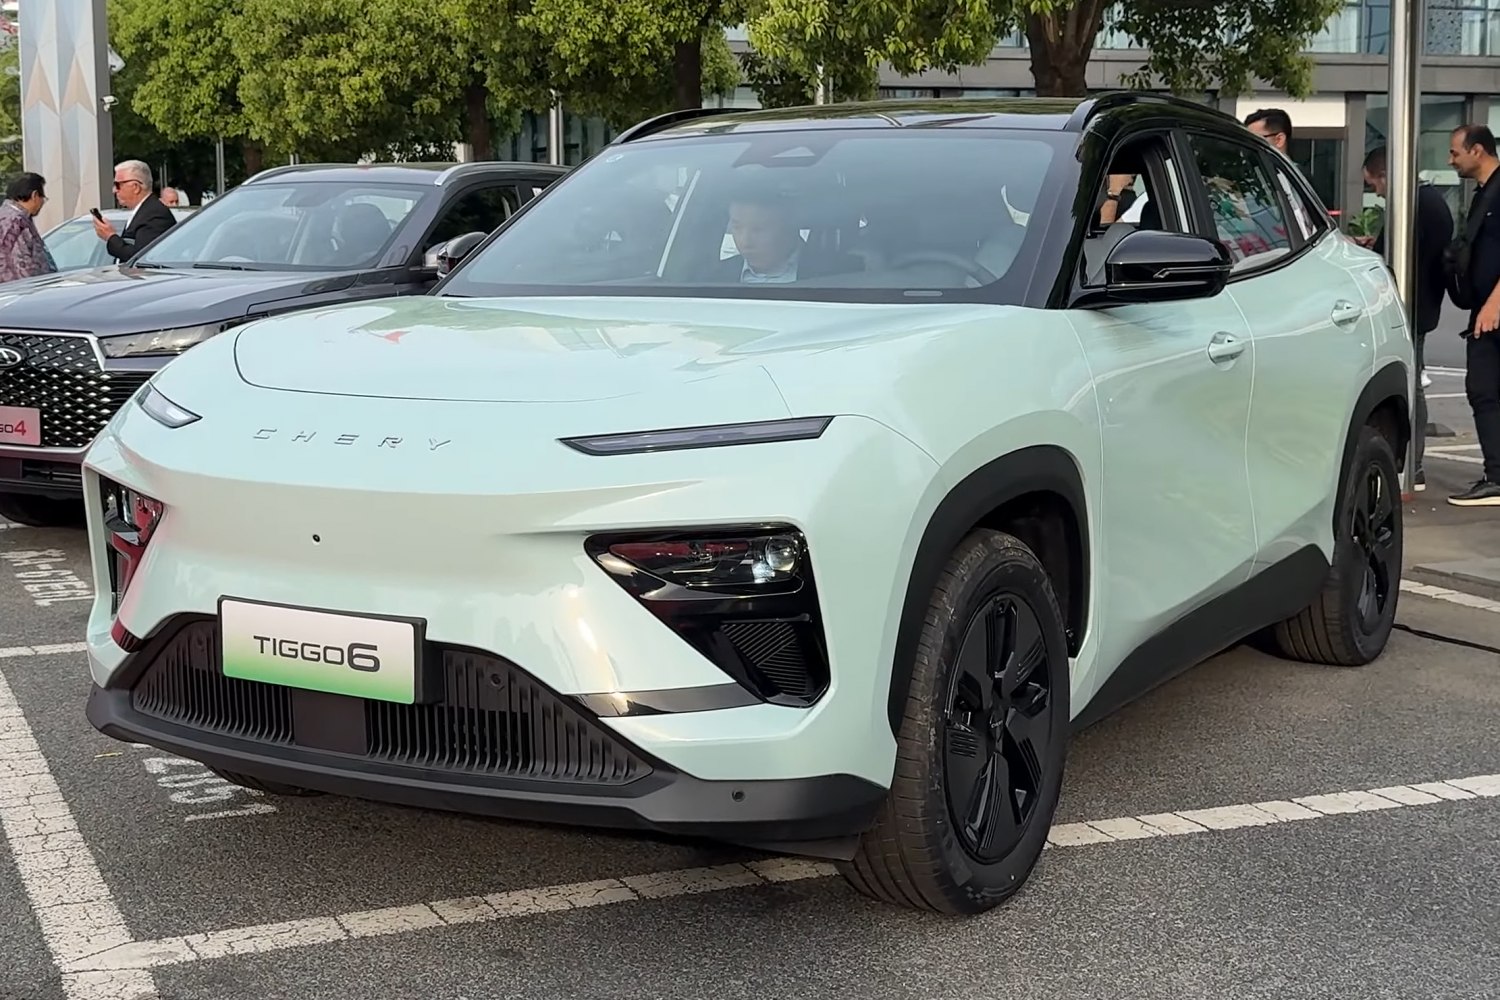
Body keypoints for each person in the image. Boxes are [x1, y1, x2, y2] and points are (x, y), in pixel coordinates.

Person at [1360, 144, 1455, 494]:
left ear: (1386, 175)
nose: (1376, 192)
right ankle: (1411, 464)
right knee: (1411, 384)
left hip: (1409, 307)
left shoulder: (1413, 206)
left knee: (1409, 386)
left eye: (1374, 184)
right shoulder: (1431, 202)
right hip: (1421, 306)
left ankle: (1411, 465)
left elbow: (1400, 260)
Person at [1444, 124, 1500, 506]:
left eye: (1455, 152)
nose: (1451, 161)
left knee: (1483, 389)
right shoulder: (1484, 193)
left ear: (1477, 150)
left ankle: (1496, 477)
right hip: (1484, 309)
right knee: (1485, 391)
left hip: (1493, 311)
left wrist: (1495, 303)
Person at [92, 160, 177, 262]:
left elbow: (140, 258)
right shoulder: (143, 211)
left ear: (136, 187)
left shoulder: (155, 215)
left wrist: (110, 236)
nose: (114, 190)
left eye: (118, 185)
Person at [0, 172, 56, 283]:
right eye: (43, 198)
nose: (42, 203)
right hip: (23, 290)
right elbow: (23, 267)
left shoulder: (5, 216)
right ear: (35, 196)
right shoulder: (17, 222)